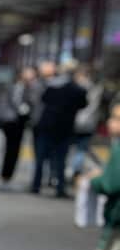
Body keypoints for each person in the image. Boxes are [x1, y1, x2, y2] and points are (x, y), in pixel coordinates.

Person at [32, 60, 89, 197]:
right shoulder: (77, 89)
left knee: (40, 158)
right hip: (65, 128)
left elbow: (43, 100)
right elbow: (83, 104)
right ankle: (60, 187)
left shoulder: (52, 87)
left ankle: (36, 185)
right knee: (61, 159)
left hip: (47, 126)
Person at [88, 102, 120, 250]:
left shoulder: (119, 149)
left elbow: (110, 184)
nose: (110, 122)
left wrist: (94, 180)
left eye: (117, 118)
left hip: (117, 217)